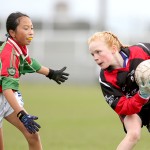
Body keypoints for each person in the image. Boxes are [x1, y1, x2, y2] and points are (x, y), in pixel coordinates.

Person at [0, 12, 69, 150]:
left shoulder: (18, 47)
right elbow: (7, 88)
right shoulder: (10, 54)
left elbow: (29, 62)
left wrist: (51, 73)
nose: (31, 32)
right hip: (6, 94)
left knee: (32, 135)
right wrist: (22, 114)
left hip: (6, 97)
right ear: (12, 32)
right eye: (25, 28)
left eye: (31, 28)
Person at [88, 31, 150, 150]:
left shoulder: (139, 51)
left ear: (113, 48)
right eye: (92, 54)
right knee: (133, 134)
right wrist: (143, 94)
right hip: (132, 106)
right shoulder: (105, 78)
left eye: (98, 52)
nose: (95, 57)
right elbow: (123, 107)